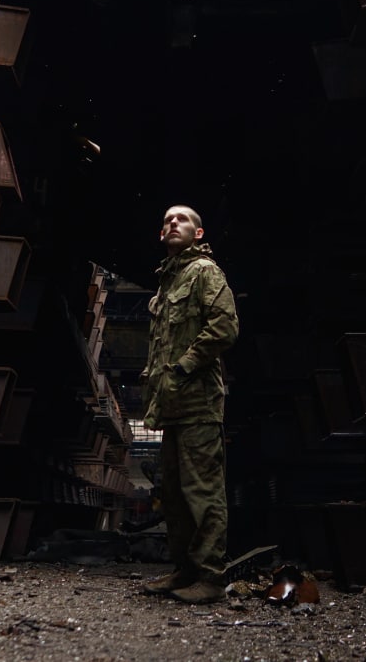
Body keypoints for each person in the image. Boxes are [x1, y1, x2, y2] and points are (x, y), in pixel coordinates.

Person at [139, 204, 240, 604]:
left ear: (198, 233)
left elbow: (225, 328)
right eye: (167, 220)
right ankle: (186, 570)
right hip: (172, 405)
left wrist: (184, 366)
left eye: (181, 219)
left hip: (198, 402)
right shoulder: (167, 285)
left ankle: (211, 577)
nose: (172, 223)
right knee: (175, 493)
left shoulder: (204, 272)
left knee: (202, 490)